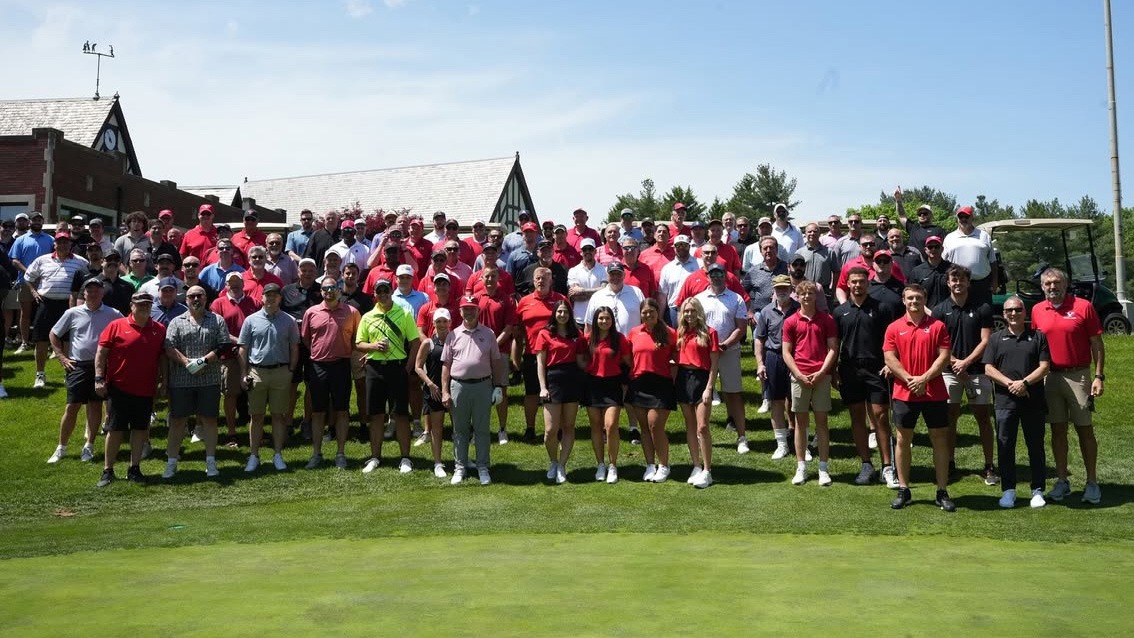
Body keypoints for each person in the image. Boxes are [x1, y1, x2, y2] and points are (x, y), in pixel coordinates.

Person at [1029, 267, 1105, 504]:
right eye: (1048, 284)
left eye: (1057, 283)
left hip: (1078, 375)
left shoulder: (1083, 306)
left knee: (1085, 428)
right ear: (1042, 287)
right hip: (1049, 376)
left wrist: (1099, 376)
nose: (1053, 287)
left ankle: (1092, 482)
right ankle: (1062, 480)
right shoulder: (1037, 310)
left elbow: (1097, 343)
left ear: (1066, 284)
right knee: (1057, 429)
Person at [884, 284, 956, 512]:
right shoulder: (894, 327)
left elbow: (944, 356)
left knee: (939, 439)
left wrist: (924, 379)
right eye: (910, 298)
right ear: (903, 301)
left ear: (925, 299)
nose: (914, 301)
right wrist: (909, 379)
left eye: (918, 298)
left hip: (933, 392)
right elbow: (889, 358)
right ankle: (904, 489)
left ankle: (942, 490)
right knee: (903, 440)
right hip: (904, 392)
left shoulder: (938, 326)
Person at [834, 267, 902, 488]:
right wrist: (834, 370)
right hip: (850, 370)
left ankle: (887, 466)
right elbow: (834, 345)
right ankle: (866, 464)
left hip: (877, 369)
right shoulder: (840, 311)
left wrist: (892, 365)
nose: (857, 285)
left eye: (861, 282)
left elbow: (892, 341)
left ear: (868, 283)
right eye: (853, 282)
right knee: (856, 417)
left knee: (881, 416)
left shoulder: (882, 309)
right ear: (848, 284)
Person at [983, 295, 1051, 508]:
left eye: (1018, 310)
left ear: (1025, 312)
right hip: (1005, 402)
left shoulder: (1037, 336)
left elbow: (1044, 366)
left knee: (1036, 446)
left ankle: (1037, 489)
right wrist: (1011, 384)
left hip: (1033, 400)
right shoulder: (995, 338)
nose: (1013, 314)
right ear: (1004, 314)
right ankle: (1008, 490)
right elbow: (988, 368)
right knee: (1005, 446)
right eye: (1009, 310)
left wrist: (1024, 383)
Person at [94, 292, 167, 487]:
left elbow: (162, 358)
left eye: (147, 304)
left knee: (140, 430)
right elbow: (101, 353)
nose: (144, 307)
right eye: (140, 304)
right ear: (131, 305)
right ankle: (108, 470)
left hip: (145, 388)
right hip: (119, 387)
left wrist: (164, 382)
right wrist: (99, 378)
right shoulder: (116, 326)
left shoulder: (158, 329)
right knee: (115, 429)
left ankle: (134, 468)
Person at [932, 265, 996, 483]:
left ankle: (989, 465)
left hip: (976, 371)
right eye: (954, 279)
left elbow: (986, 340)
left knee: (983, 418)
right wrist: (954, 363)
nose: (958, 283)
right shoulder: (940, 310)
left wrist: (966, 362)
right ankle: (949, 462)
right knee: (950, 418)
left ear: (968, 282)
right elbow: (937, 343)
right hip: (949, 373)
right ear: (948, 283)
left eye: (962, 280)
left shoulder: (983, 308)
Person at [46, 277, 122, 464]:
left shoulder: (113, 314)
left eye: (96, 289)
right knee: (72, 406)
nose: (93, 293)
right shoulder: (72, 313)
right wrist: (61, 356)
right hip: (77, 365)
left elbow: (126, 331)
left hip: (101, 366)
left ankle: (89, 445)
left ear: (102, 292)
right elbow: (54, 334)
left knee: (95, 405)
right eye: (89, 290)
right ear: (84, 293)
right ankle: (61, 447)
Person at [163, 285, 231, 479]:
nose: (195, 299)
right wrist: (186, 363)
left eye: (199, 296)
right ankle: (172, 463)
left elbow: (223, 344)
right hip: (181, 380)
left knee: (209, 420)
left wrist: (204, 361)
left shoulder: (216, 320)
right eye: (191, 296)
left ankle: (210, 461)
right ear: (186, 300)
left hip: (208, 378)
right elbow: (169, 347)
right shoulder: (177, 322)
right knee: (177, 422)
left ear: (205, 298)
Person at [356, 277, 421, 474]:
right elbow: (359, 343)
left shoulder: (404, 314)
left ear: (391, 291)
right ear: (374, 294)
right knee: (376, 414)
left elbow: (415, 342)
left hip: (397, 368)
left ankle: (405, 458)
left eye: (386, 290)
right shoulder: (368, 316)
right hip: (375, 369)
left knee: (400, 414)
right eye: (379, 291)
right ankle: (375, 457)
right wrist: (374, 346)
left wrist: (408, 369)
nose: (383, 294)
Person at [441, 295, 507, 486]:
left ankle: (482, 467)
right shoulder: (452, 335)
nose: (469, 312)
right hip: (459, 386)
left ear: (478, 311)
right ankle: (460, 467)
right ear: (460, 311)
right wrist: (445, 391)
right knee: (459, 430)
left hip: (482, 386)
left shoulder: (488, 334)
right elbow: (446, 365)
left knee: (482, 430)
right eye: (465, 308)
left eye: (472, 308)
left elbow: (496, 362)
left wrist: (498, 387)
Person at [237, 283, 299, 473]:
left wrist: (291, 371)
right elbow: (243, 348)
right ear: (262, 298)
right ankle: (254, 455)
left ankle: (277, 454)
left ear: (280, 298)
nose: (271, 299)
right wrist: (243, 373)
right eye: (267, 295)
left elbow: (294, 347)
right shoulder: (251, 320)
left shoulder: (289, 321)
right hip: (257, 372)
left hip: (281, 372)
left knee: (279, 416)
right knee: (256, 416)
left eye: (275, 295)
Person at [301, 276, 361, 469]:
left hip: (341, 365)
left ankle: (340, 453)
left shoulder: (351, 312)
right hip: (318, 366)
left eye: (333, 288)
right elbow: (306, 339)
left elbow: (356, 339)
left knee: (342, 410)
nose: (329, 291)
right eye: (326, 288)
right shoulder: (311, 312)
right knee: (318, 412)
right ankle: (316, 453)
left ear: (339, 289)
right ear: (321, 291)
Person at [782, 281, 839, 486]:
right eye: (803, 294)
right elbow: (786, 351)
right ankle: (802, 467)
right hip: (799, 376)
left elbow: (833, 348)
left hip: (821, 376)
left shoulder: (827, 320)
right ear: (797, 296)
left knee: (822, 422)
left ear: (816, 296)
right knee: (800, 422)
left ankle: (823, 468)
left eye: (811, 293)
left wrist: (823, 372)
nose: (807, 297)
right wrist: (798, 374)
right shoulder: (790, 321)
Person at [694, 263, 750, 454]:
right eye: (712, 274)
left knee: (733, 394)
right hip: (703, 353)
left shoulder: (736, 299)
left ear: (725, 276)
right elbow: (694, 325)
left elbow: (741, 327)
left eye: (719, 273)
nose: (716, 276)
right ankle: (699, 435)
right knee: (701, 395)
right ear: (707, 276)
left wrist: (724, 344)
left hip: (729, 351)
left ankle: (742, 437)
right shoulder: (698, 299)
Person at [27, 231, 89, 389]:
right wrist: (34, 292)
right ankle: (40, 374)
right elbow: (28, 277)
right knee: (41, 340)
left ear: (70, 244)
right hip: (46, 304)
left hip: (68, 305)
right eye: (59, 242)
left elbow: (87, 282)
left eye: (65, 242)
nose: (62, 245)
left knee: (69, 341)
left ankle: (69, 373)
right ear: (54, 244)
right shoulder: (42, 260)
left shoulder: (81, 262)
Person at [514, 267, 569, 443]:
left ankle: (558, 428)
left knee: (557, 393)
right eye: (537, 278)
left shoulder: (561, 300)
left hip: (556, 356)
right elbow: (519, 330)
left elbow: (569, 325)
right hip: (532, 354)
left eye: (545, 278)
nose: (541, 281)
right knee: (531, 393)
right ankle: (530, 428)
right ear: (533, 280)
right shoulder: (524, 302)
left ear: (551, 280)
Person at [535, 300, 587, 484]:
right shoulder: (545, 333)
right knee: (550, 430)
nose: (562, 315)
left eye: (565, 312)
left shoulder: (577, 335)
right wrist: (542, 387)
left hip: (572, 380)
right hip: (553, 381)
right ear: (554, 314)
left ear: (570, 314)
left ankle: (562, 465)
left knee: (568, 426)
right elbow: (541, 363)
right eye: (560, 312)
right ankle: (553, 462)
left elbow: (581, 362)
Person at [627, 298, 677, 483]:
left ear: (658, 313)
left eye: (651, 311)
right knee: (644, 429)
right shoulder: (634, 333)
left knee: (655, 426)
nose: (648, 315)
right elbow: (628, 357)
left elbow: (677, 357)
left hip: (661, 384)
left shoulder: (670, 333)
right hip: (639, 384)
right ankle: (650, 465)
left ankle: (664, 465)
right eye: (644, 312)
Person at [210, 271, 262, 447]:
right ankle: (232, 434)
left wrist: (246, 344)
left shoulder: (254, 303)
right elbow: (217, 330)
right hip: (229, 356)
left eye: (237, 281)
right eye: (230, 282)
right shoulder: (218, 304)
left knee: (255, 394)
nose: (234, 285)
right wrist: (241, 342)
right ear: (225, 285)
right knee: (231, 395)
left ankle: (256, 432)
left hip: (254, 355)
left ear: (243, 283)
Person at [583, 306, 632, 484]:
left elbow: (629, 362)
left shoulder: (619, 339)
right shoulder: (588, 339)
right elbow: (581, 359)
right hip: (592, 386)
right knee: (596, 426)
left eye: (607, 318)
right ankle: (600, 464)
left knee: (610, 425)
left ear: (612, 321)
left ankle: (613, 465)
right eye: (601, 318)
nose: (604, 321)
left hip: (612, 385)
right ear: (596, 320)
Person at [674, 298, 719, 489]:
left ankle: (708, 470)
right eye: (686, 311)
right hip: (684, 378)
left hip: (702, 379)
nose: (689, 314)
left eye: (692, 311)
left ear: (698, 312)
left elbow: (714, 364)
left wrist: (710, 387)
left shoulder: (710, 333)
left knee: (702, 427)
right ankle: (696, 465)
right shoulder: (680, 333)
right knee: (690, 426)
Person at [755, 275, 800, 460]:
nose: (782, 291)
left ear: (791, 289)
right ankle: (782, 444)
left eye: (785, 288)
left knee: (798, 402)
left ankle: (801, 442)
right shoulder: (766, 312)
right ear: (773, 290)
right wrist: (760, 363)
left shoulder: (799, 310)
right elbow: (759, 338)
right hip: (774, 357)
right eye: (778, 288)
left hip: (797, 357)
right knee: (776, 401)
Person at [415, 307, 454, 478]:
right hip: (434, 390)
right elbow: (417, 367)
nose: (442, 324)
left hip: (454, 389)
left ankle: (461, 458)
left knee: (458, 427)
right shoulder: (428, 343)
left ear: (449, 322)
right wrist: (430, 384)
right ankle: (438, 463)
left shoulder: (456, 340)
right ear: (434, 323)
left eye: (445, 321)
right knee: (436, 428)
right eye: (439, 321)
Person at [942, 206, 996, 306]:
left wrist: (994, 282)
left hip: (981, 284)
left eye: (966, 217)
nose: (963, 219)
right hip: (958, 284)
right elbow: (944, 263)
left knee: (984, 315)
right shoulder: (949, 238)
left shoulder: (984, 236)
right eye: (960, 217)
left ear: (972, 218)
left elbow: (993, 261)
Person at [895, 187, 947, 258]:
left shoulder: (938, 230)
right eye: (919, 213)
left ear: (931, 215)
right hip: (914, 265)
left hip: (932, 265)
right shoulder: (913, 227)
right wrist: (898, 201)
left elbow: (945, 249)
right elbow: (901, 216)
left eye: (925, 213)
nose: (922, 215)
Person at [566, 238, 607, 328]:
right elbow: (574, 296)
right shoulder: (573, 271)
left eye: (590, 249)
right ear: (581, 252)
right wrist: (597, 292)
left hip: (599, 318)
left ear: (595, 251)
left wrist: (582, 291)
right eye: (585, 249)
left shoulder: (603, 269)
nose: (587, 251)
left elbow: (604, 291)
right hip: (579, 318)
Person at [908, 236, 951, 308]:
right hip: (924, 313)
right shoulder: (917, 271)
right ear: (925, 250)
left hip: (948, 313)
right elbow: (913, 294)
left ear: (942, 249)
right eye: (930, 247)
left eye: (937, 246)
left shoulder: (952, 269)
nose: (933, 249)